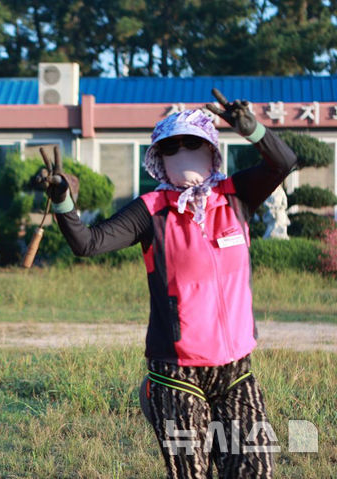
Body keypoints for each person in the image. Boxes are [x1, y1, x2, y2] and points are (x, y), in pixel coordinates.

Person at [35, 90, 297, 479]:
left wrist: (252, 129)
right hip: (175, 371)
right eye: (171, 147)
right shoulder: (151, 210)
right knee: (191, 473)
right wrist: (62, 201)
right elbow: (86, 244)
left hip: (235, 368)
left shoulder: (236, 197)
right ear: (159, 158)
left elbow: (284, 163)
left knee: (254, 470)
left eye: (193, 143)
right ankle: (153, 395)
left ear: (212, 151)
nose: (183, 152)